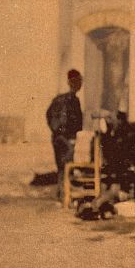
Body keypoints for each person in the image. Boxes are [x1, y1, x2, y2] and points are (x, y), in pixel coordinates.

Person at [46, 69, 83, 199]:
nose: (80, 84)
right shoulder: (71, 100)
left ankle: (61, 194)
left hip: (58, 138)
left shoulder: (59, 99)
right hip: (66, 139)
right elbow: (76, 122)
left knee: (62, 168)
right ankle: (64, 196)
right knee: (67, 167)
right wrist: (69, 137)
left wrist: (56, 131)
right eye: (79, 81)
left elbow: (48, 115)